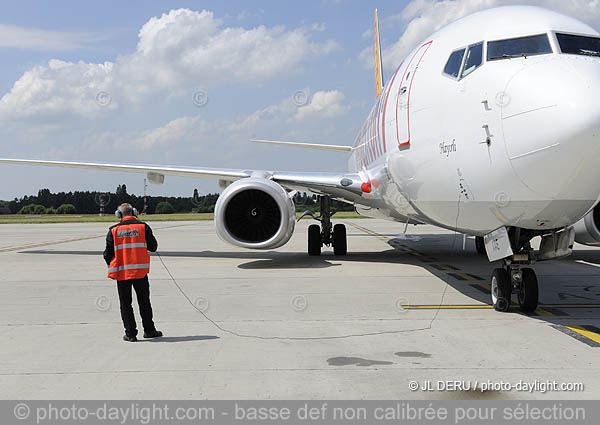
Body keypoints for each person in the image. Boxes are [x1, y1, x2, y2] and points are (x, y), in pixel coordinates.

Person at [103, 203, 162, 342]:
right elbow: (153, 247)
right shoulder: (143, 227)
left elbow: (107, 254)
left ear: (119, 214)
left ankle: (130, 334)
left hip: (122, 273)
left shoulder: (113, 230)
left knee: (125, 304)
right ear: (134, 212)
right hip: (140, 272)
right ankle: (149, 330)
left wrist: (113, 264)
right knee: (144, 302)